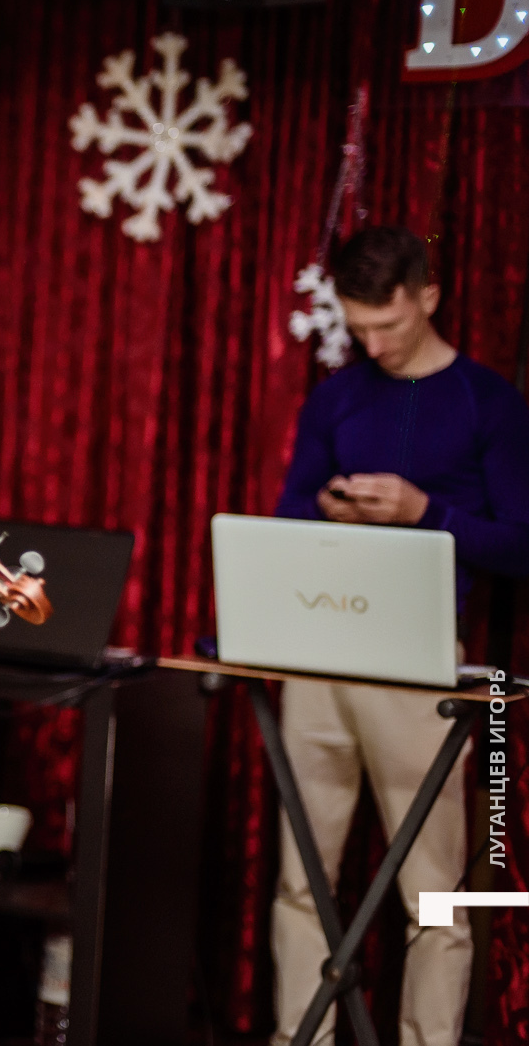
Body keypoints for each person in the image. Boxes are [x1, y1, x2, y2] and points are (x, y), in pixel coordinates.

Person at [270, 225, 529, 1046]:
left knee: (436, 892)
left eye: (389, 324)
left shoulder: (488, 401)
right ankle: (297, 1037)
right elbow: (287, 512)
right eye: (359, 328)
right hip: (319, 648)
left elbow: (522, 544)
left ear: (429, 295)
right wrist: (330, 511)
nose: (374, 345)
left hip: (421, 664)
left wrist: (426, 512)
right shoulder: (336, 396)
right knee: (301, 877)